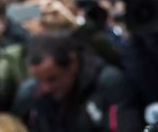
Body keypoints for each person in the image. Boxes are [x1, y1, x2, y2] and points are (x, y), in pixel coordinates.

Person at [12, 31, 142, 132]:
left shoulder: (108, 84)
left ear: (73, 63)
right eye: (39, 80)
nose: (45, 87)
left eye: (52, 79)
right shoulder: (31, 93)